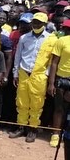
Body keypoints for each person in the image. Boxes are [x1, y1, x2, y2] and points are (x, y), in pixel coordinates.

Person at [10, 12, 51, 142]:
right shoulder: (24, 38)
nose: (36, 25)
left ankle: (33, 128)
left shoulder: (51, 39)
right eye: (34, 22)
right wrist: (15, 73)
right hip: (24, 72)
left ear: (44, 24)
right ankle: (21, 126)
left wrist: (46, 74)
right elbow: (18, 56)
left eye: (39, 23)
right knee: (21, 101)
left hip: (39, 75)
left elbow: (51, 60)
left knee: (37, 103)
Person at [47, 20, 70, 148]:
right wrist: (51, 83)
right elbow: (54, 63)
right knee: (59, 108)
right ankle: (55, 134)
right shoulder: (62, 41)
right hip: (62, 77)